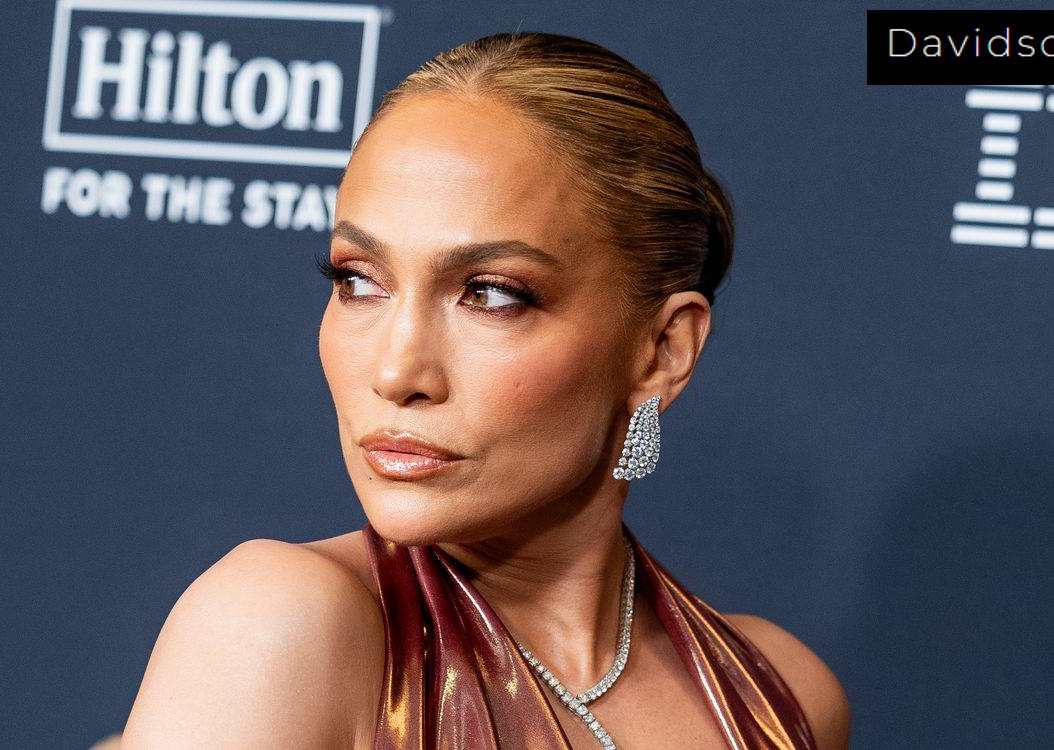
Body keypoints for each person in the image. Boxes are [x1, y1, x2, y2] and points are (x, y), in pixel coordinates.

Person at [120, 31, 850, 750]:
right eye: (358, 281)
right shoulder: (274, 625)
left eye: (492, 295)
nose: (396, 372)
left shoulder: (782, 699)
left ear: (662, 351)